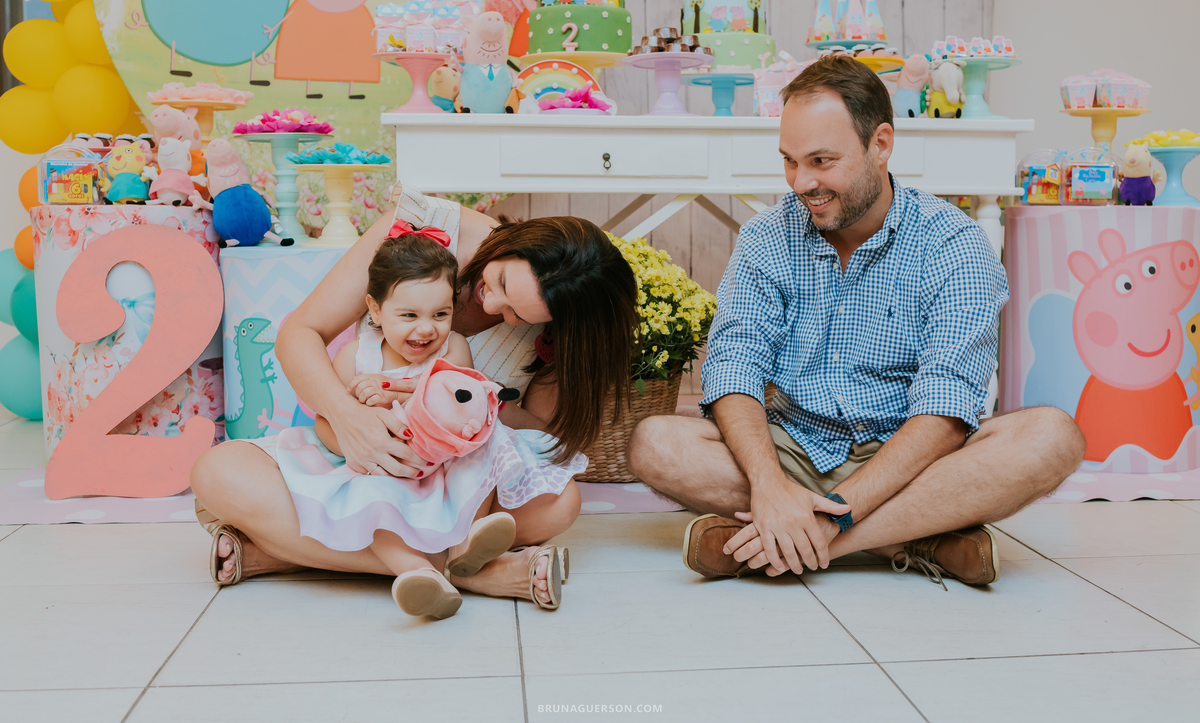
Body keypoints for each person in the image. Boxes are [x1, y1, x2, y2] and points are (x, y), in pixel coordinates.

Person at [627, 55, 1085, 589]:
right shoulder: (766, 237)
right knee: (656, 443)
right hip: (792, 447)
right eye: (790, 161)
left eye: (822, 160)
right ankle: (917, 540)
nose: (803, 182)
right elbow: (734, 367)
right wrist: (769, 484)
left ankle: (792, 544)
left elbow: (945, 410)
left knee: (1051, 436)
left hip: (913, 460)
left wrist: (835, 519)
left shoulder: (953, 244)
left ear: (881, 144)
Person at [190, 184, 638, 609]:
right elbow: (299, 334)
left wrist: (474, 410)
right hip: (359, 457)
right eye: (499, 280)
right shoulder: (421, 228)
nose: (491, 306)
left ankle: (290, 552)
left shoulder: (560, 328)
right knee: (217, 473)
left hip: (454, 474)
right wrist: (349, 420)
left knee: (561, 502)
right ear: (514, 241)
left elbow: (539, 435)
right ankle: (466, 570)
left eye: (517, 315)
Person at [275, 224, 586, 617]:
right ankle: (418, 573)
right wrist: (360, 447)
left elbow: (455, 395)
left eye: (441, 314)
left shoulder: (453, 347)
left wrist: (394, 391)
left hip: (447, 465)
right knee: (372, 504)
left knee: (487, 447)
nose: (426, 328)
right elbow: (328, 421)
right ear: (375, 309)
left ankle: (466, 545)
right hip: (387, 469)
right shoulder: (356, 357)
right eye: (409, 315)